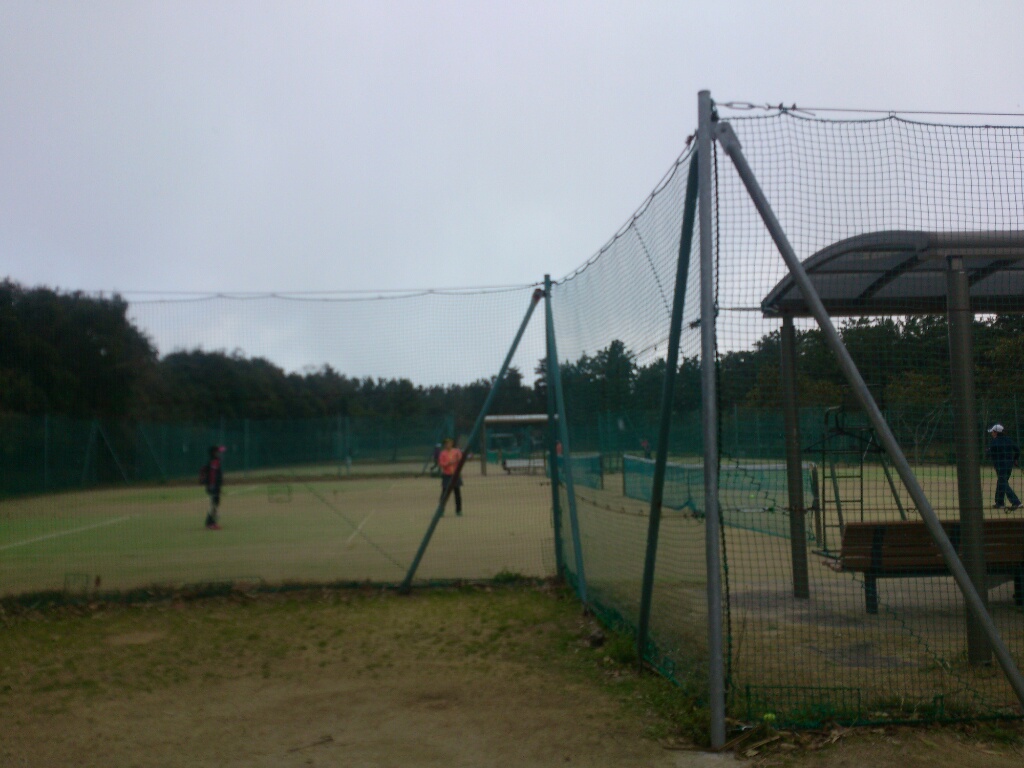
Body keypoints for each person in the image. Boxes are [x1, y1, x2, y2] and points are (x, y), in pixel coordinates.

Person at [987, 424, 1021, 511]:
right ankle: (1000, 503)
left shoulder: (994, 442)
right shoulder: (1008, 440)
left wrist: (988, 451)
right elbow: (1017, 450)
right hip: (1009, 466)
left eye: (992, 432)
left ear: (996, 432)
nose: (992, 434)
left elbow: (988, 454)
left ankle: (1016, 502)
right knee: (1001, 482)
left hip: (1000, 466)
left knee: (1003, 483)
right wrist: (1015, 459)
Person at [201, 445, 225, 529]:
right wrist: (213, 487)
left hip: (215, 487)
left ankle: (212, 522)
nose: (220, 453)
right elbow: (212, 476)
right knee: (214, 504)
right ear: (214, 453)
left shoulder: (216, 461)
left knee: (215, 504)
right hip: (213, 487)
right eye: (219, 452)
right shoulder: (214, 462)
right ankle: (210, 523)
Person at [438, 437, 463, 516]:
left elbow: (461, 459)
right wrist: (448, 463)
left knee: (457, 493)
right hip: (447, 475)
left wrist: (458, 459)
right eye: (446, 443)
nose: (447, 445)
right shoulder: (443, 453)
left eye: (449, 443)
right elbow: (441, 464)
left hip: (455, 475)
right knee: (444, 493)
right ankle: (441, 510)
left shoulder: (457, 451)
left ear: (452, 443)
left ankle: (458, 510)